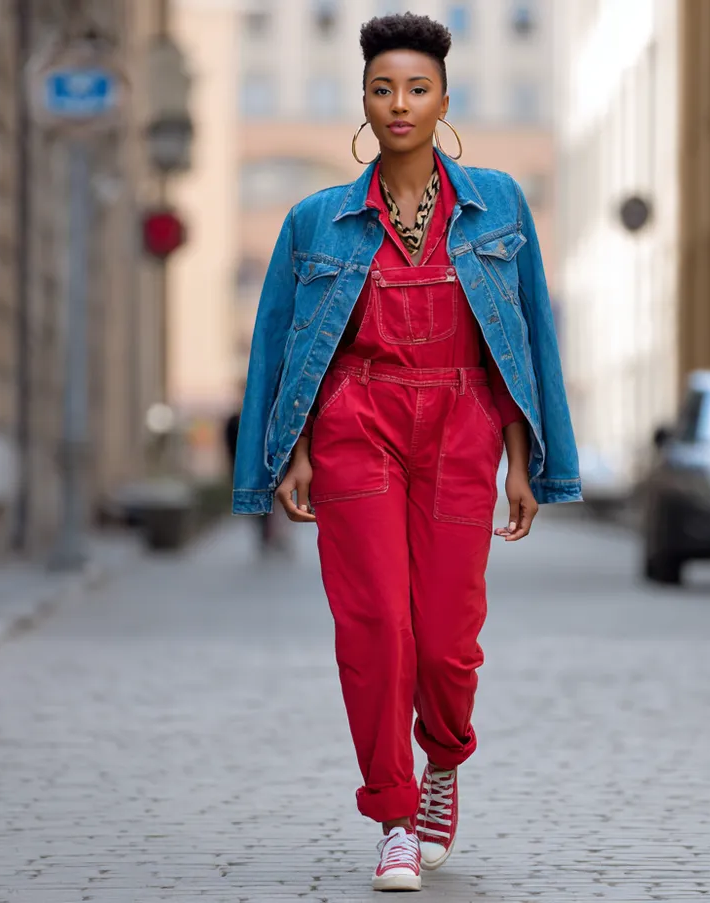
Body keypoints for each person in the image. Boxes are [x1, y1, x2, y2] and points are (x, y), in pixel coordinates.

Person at [231, 13, 581, 892]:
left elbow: (527, 334)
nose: (399, 104)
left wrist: (524, 455)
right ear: (363, 101)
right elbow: (278, 341)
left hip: (463, 422)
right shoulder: (317, 220)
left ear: (444, 101)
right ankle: (393, 813)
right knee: (377, 624)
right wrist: (291, 450)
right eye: (383, 88)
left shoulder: (499, 203)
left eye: (416, 89)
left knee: (447, 641)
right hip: (358, 422)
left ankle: (444, 763)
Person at [223, 392, 275, 554]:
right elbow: (229, 448)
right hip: (243, 470)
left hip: (263, 469)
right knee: (254, 504)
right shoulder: (233, 421)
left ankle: (268, 533)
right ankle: (263, 532)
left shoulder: (262, 419)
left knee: (267, 503)